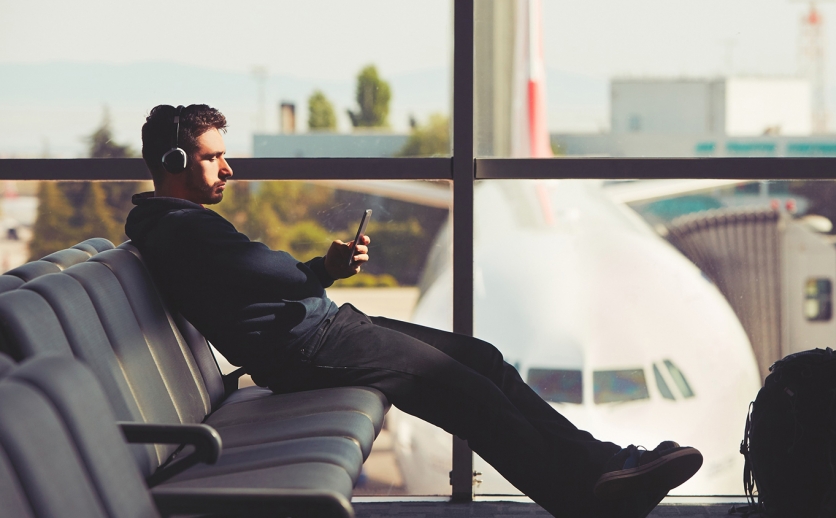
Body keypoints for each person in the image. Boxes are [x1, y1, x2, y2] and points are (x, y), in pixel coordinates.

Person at [125, 104, 703, 518]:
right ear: (175, 159)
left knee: (482, 359)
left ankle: (604, 463)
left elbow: (260, 273)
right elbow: (265, 269)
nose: (228, 170)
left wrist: (320, 271)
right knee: (469, 395)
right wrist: (312, 271)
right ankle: (584, 498)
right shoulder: (179, 229)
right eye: (214, 158)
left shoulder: (177, 226)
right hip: (308, 348)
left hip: (320, 332)